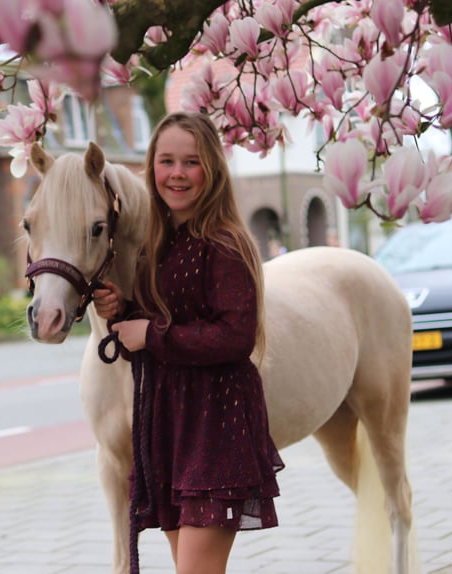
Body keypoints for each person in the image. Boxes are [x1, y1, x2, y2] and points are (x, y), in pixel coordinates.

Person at [94, 111, 284, 574]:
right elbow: (168, 321)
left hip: (217, 424)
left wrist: (151, 335)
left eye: (191, 162)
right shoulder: (163, 242)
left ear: (212, 170)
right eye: (166, 161)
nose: (177, 173)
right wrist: (124, 312)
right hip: (174, 427)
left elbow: (235, 337)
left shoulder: (224, 242)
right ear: (151, 167)